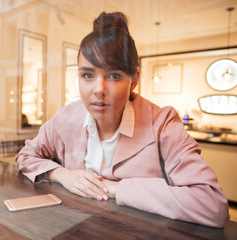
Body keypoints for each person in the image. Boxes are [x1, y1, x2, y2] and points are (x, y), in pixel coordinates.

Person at [16, 12, 229, 228]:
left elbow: (212, 206)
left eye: (114, 76)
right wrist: (62, 175)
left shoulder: (162, 122)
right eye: (88, 75)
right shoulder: (66, 117)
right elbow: (26, 156)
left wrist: (114, 188)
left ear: (134, 80)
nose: (99, 90)